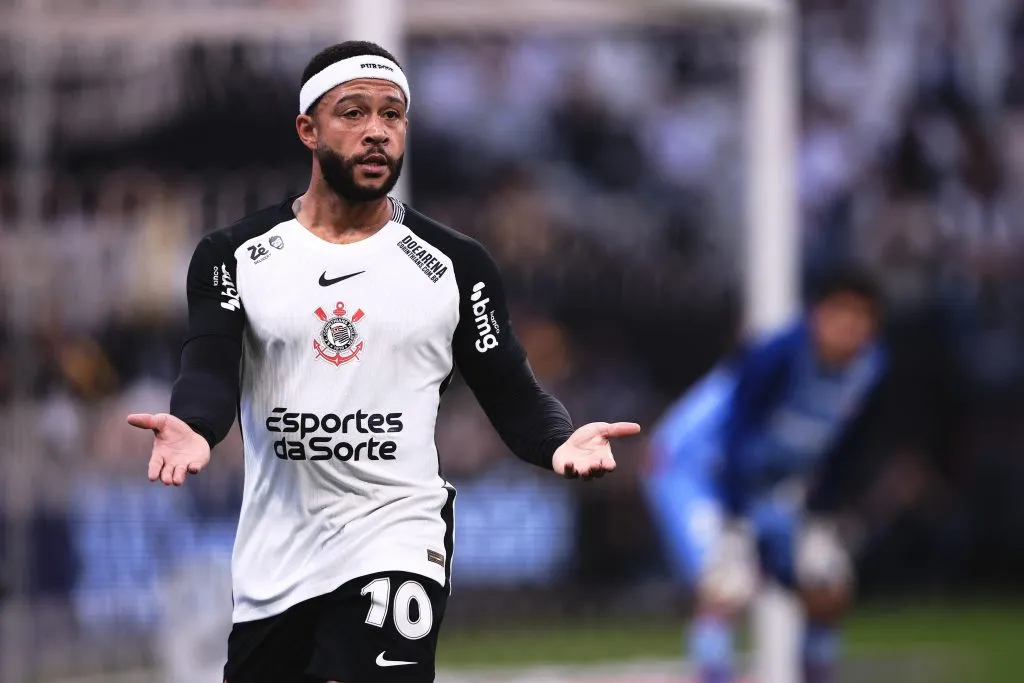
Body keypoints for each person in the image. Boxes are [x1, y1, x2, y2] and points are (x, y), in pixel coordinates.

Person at [126, 41, 640, 683]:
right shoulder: (235, 254)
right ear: (307, 129)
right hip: (276, 555)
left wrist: (559, 440)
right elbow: (209, 363)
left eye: (392, 115)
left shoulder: (454, 264)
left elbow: (510, 388)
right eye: (354, 112)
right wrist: (194, 426)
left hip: (397, 534)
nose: (376, 131)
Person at [642, 267, 889, 683]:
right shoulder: (777, 356)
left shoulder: (870, 368)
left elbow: (849, 444)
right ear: (817, 315)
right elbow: (735, 437)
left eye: (861, 316)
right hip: (695, 473)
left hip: (767, 483)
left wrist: (823, 510)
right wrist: (737, 521)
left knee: (827, 588)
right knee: (727, 585)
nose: (849, 327)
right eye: (839, 313)